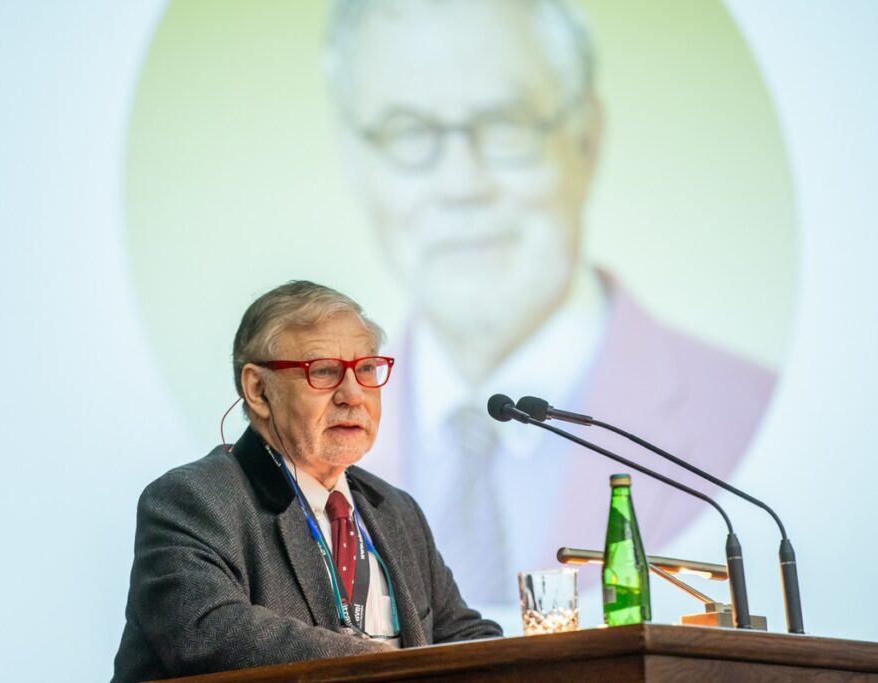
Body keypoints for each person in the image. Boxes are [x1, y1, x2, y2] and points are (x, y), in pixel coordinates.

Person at [325, 0, 775, 606]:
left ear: (585, 137)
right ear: (355, 162)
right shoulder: (295, 448)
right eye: (408, 131)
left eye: (505, 123)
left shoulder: (746, 410)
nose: (461, 184)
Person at [112, 281, 501, 681]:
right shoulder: (192, 500)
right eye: (325, 372)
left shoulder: (396, 510)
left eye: (366, 369)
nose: (353, 395)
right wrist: (386, 665)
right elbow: (209, 634)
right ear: (258, 390)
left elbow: (462, 635)